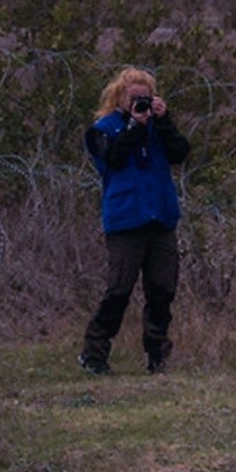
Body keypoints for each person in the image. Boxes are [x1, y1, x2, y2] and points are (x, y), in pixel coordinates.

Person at [81, 64, 187, 374]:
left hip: (161, 216)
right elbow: (112, 158)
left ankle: (158, 355)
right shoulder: (104, 129)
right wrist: (134, 127)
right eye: (134, 98)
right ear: (119, 98)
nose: (140, 103)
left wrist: (163, 122)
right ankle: (94, 353)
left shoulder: (158, 126)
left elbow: (180, 153)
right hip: (126, 219)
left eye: (146, 97)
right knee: (119, 290)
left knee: (162, 290)